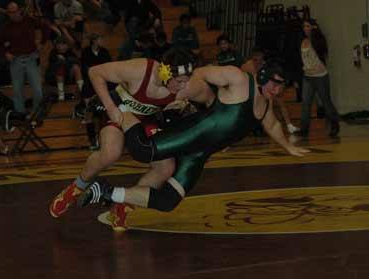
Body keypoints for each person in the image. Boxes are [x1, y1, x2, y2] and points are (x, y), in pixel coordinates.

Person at [77, 62, 310, 227]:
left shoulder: (266, 108)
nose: (277, 91)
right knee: (142, 150)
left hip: (199, 154)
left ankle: (106, 192)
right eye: (275, 84)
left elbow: (274, 127)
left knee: (168, 201)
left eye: (281, 87)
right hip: (190, 133)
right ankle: (121, 108)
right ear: (263, 75)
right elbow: (200, 72)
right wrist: (180, 95)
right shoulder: (238, 79)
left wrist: (288, 146)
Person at [49, 48, 195, 222]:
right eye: (179, 82)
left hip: (145, 119)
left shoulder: (183, 86)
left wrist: (186, 108)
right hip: (119, 108)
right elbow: (95, 72)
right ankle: (76, 188)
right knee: (111, 153)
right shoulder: (139, 70)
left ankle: (123, 205)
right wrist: (110, 107)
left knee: (166, 168)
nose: (183, 86)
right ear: (165, 73)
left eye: (186, 81)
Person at [0, 1, 43, 116]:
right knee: (17, 91)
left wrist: (42, 42)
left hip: (31, 58)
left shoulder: (29, 20)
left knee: (38, 91)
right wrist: (5, 53)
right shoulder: (6, 27)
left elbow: (45, 26)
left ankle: (36, 113)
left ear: (19, 10)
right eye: (10, 13)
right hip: (16, 60)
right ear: (8, 13)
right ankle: (20, 115)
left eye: (15, 11)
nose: (13, 14)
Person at [242, 48, 300, 134]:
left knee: (280, 102)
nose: (257, 60)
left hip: (268, 89)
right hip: (253, 91)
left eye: (259, 58)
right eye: (255, 58)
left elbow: (276, 77)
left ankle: (289, 125)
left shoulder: (267, 65)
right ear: (252, 57)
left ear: (262, 57)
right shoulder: (246, 66)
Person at [299, 18, 340, 137]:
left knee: (326, 102)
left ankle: (334, 125)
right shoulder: (303, 41)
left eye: (307, 26)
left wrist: (312, 68)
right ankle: (304, 130)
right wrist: (305, 68)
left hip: (320, 76)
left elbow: (321, 59)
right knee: (306, 103)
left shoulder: (318, 40)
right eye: (304, 26)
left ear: (313, 27)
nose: (305, 28)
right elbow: (304, 59)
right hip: (307, 77)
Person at [45, 36, 83, 101]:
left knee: (76, 67)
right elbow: (53, 66)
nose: (61, 46)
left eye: (63, 44)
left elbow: (77, 61)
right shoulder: (53, 52)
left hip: (68, 76)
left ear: (68, 45)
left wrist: (65, 60)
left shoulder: (70, 52)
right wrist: (66, 61)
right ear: (56, 45)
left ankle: (82, 91)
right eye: (59, 44)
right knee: (60, 68)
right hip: (54, 77)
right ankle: (61, 95)